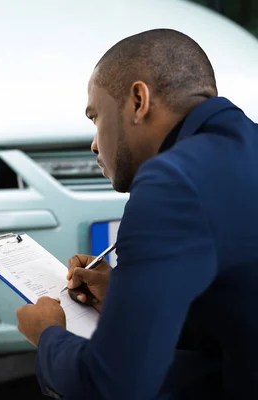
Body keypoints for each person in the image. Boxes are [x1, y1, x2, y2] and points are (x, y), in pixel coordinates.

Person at [15, 28, 258, 400]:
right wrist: (123, 296)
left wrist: (48, 335)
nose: (95, 143)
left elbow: (111, 385)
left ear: (138, 101)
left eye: (96, 117)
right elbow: (237, 317)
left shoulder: (172, 180)